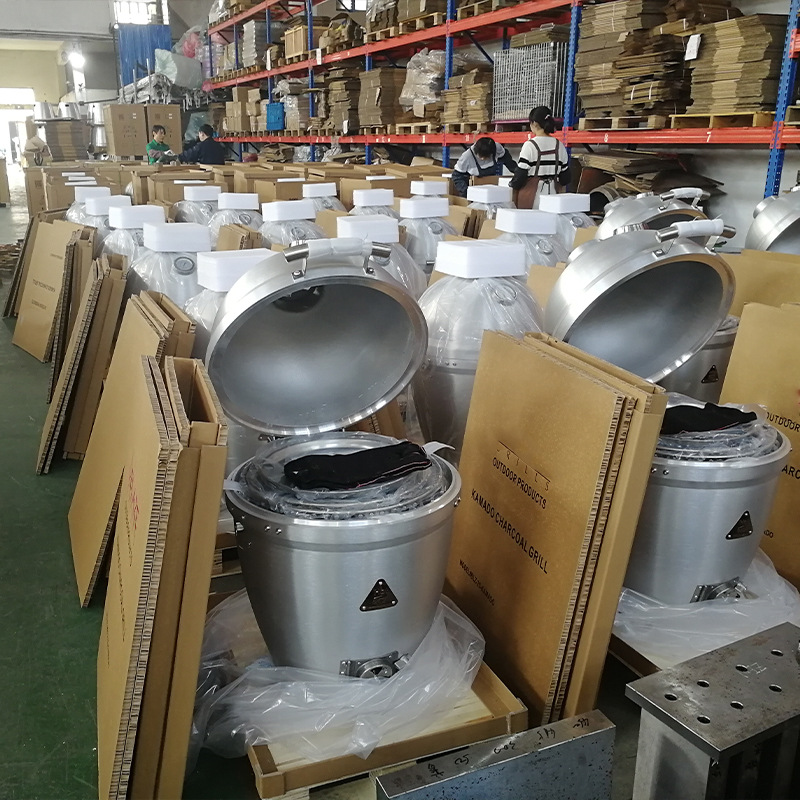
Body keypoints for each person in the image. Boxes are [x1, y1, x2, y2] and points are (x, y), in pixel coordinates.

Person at [510, 106, 570, 209]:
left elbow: (520, 176)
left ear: (534, 123)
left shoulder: (530, 145)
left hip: (532, 200)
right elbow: (565, 178)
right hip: (553, 199)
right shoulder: (559, 145)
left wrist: (511, 186)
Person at [451, 137, 517, 197]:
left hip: (491, 187)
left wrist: (517, 172)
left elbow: (507, 160)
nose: (482, 159)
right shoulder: (467, 157)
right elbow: (456, 176)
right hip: (474, 189)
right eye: (480, 156)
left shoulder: (497, 148)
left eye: (486, 157)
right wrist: (468, 192)